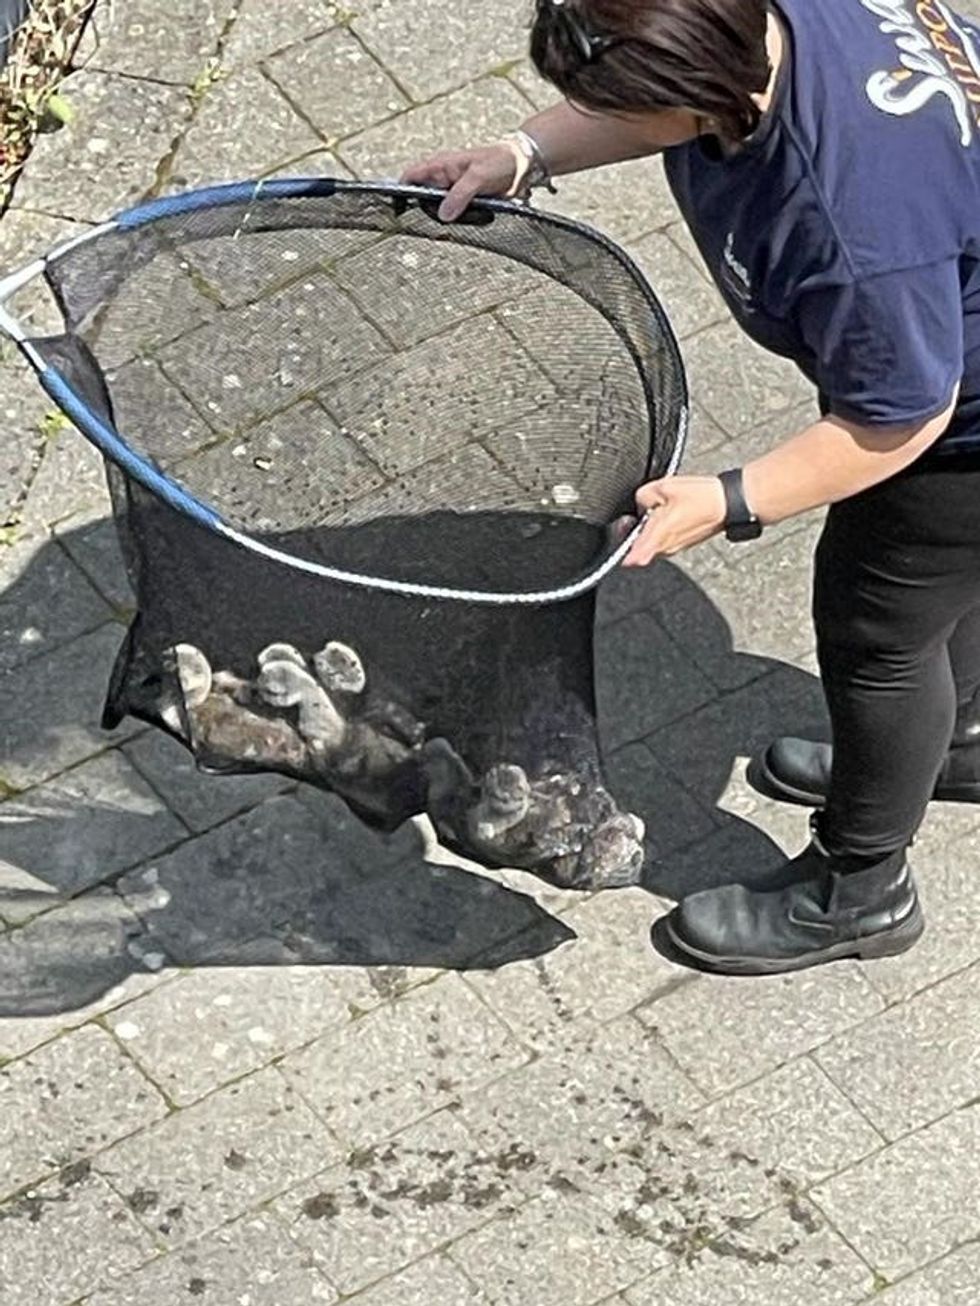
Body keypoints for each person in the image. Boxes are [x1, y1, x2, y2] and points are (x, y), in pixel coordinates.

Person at [402, 0, 980, 975]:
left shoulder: (842, 214)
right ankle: (956, 738)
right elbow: (643, 91)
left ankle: (860, 888)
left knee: (877, 635)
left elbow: (901, 416)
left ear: (697, 93)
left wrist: (732, 497)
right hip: (939, 301)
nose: (585, 110)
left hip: (957, 430)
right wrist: (520, 153)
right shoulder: (764, 25)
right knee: (945, 591)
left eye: (608, 100)